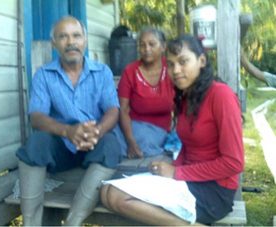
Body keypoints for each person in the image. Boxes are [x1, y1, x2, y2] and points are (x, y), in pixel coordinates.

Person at [100, 34, 244, 225]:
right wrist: (172, 167)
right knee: (106, 192)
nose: (176, 70)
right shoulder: (185, 97)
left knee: (117, 196)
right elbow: (189, 147)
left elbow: (234, 163)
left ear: (201, 61)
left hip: (213, 191)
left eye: (183, 62)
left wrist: (176, 173)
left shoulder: (221, 95)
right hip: (188, 179)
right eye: (171, 64)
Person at [16, 16, 121, 226]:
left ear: (85, 41)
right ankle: (31, 223)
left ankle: (73, 222)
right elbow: (36, 117)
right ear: (54, 43)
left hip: (92, 146)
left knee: (110, 144)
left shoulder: (102, 73)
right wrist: (68, 131)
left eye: (76, 36)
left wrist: (96, 132)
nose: (71, 42)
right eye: (63, 37)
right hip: (61, 148)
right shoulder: (44, 75)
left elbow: (112, 110)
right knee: (35, 143)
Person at [114, 27, 175, 159]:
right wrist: (130, 141)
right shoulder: (130, 71)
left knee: (143, 142)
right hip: (130, 126)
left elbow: (183, 104)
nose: (146, 49)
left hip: (158, 129)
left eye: (152, 44)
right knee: (108, 136)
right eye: (142, 45)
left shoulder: (172, 69)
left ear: (163, 46)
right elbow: (123, 110)